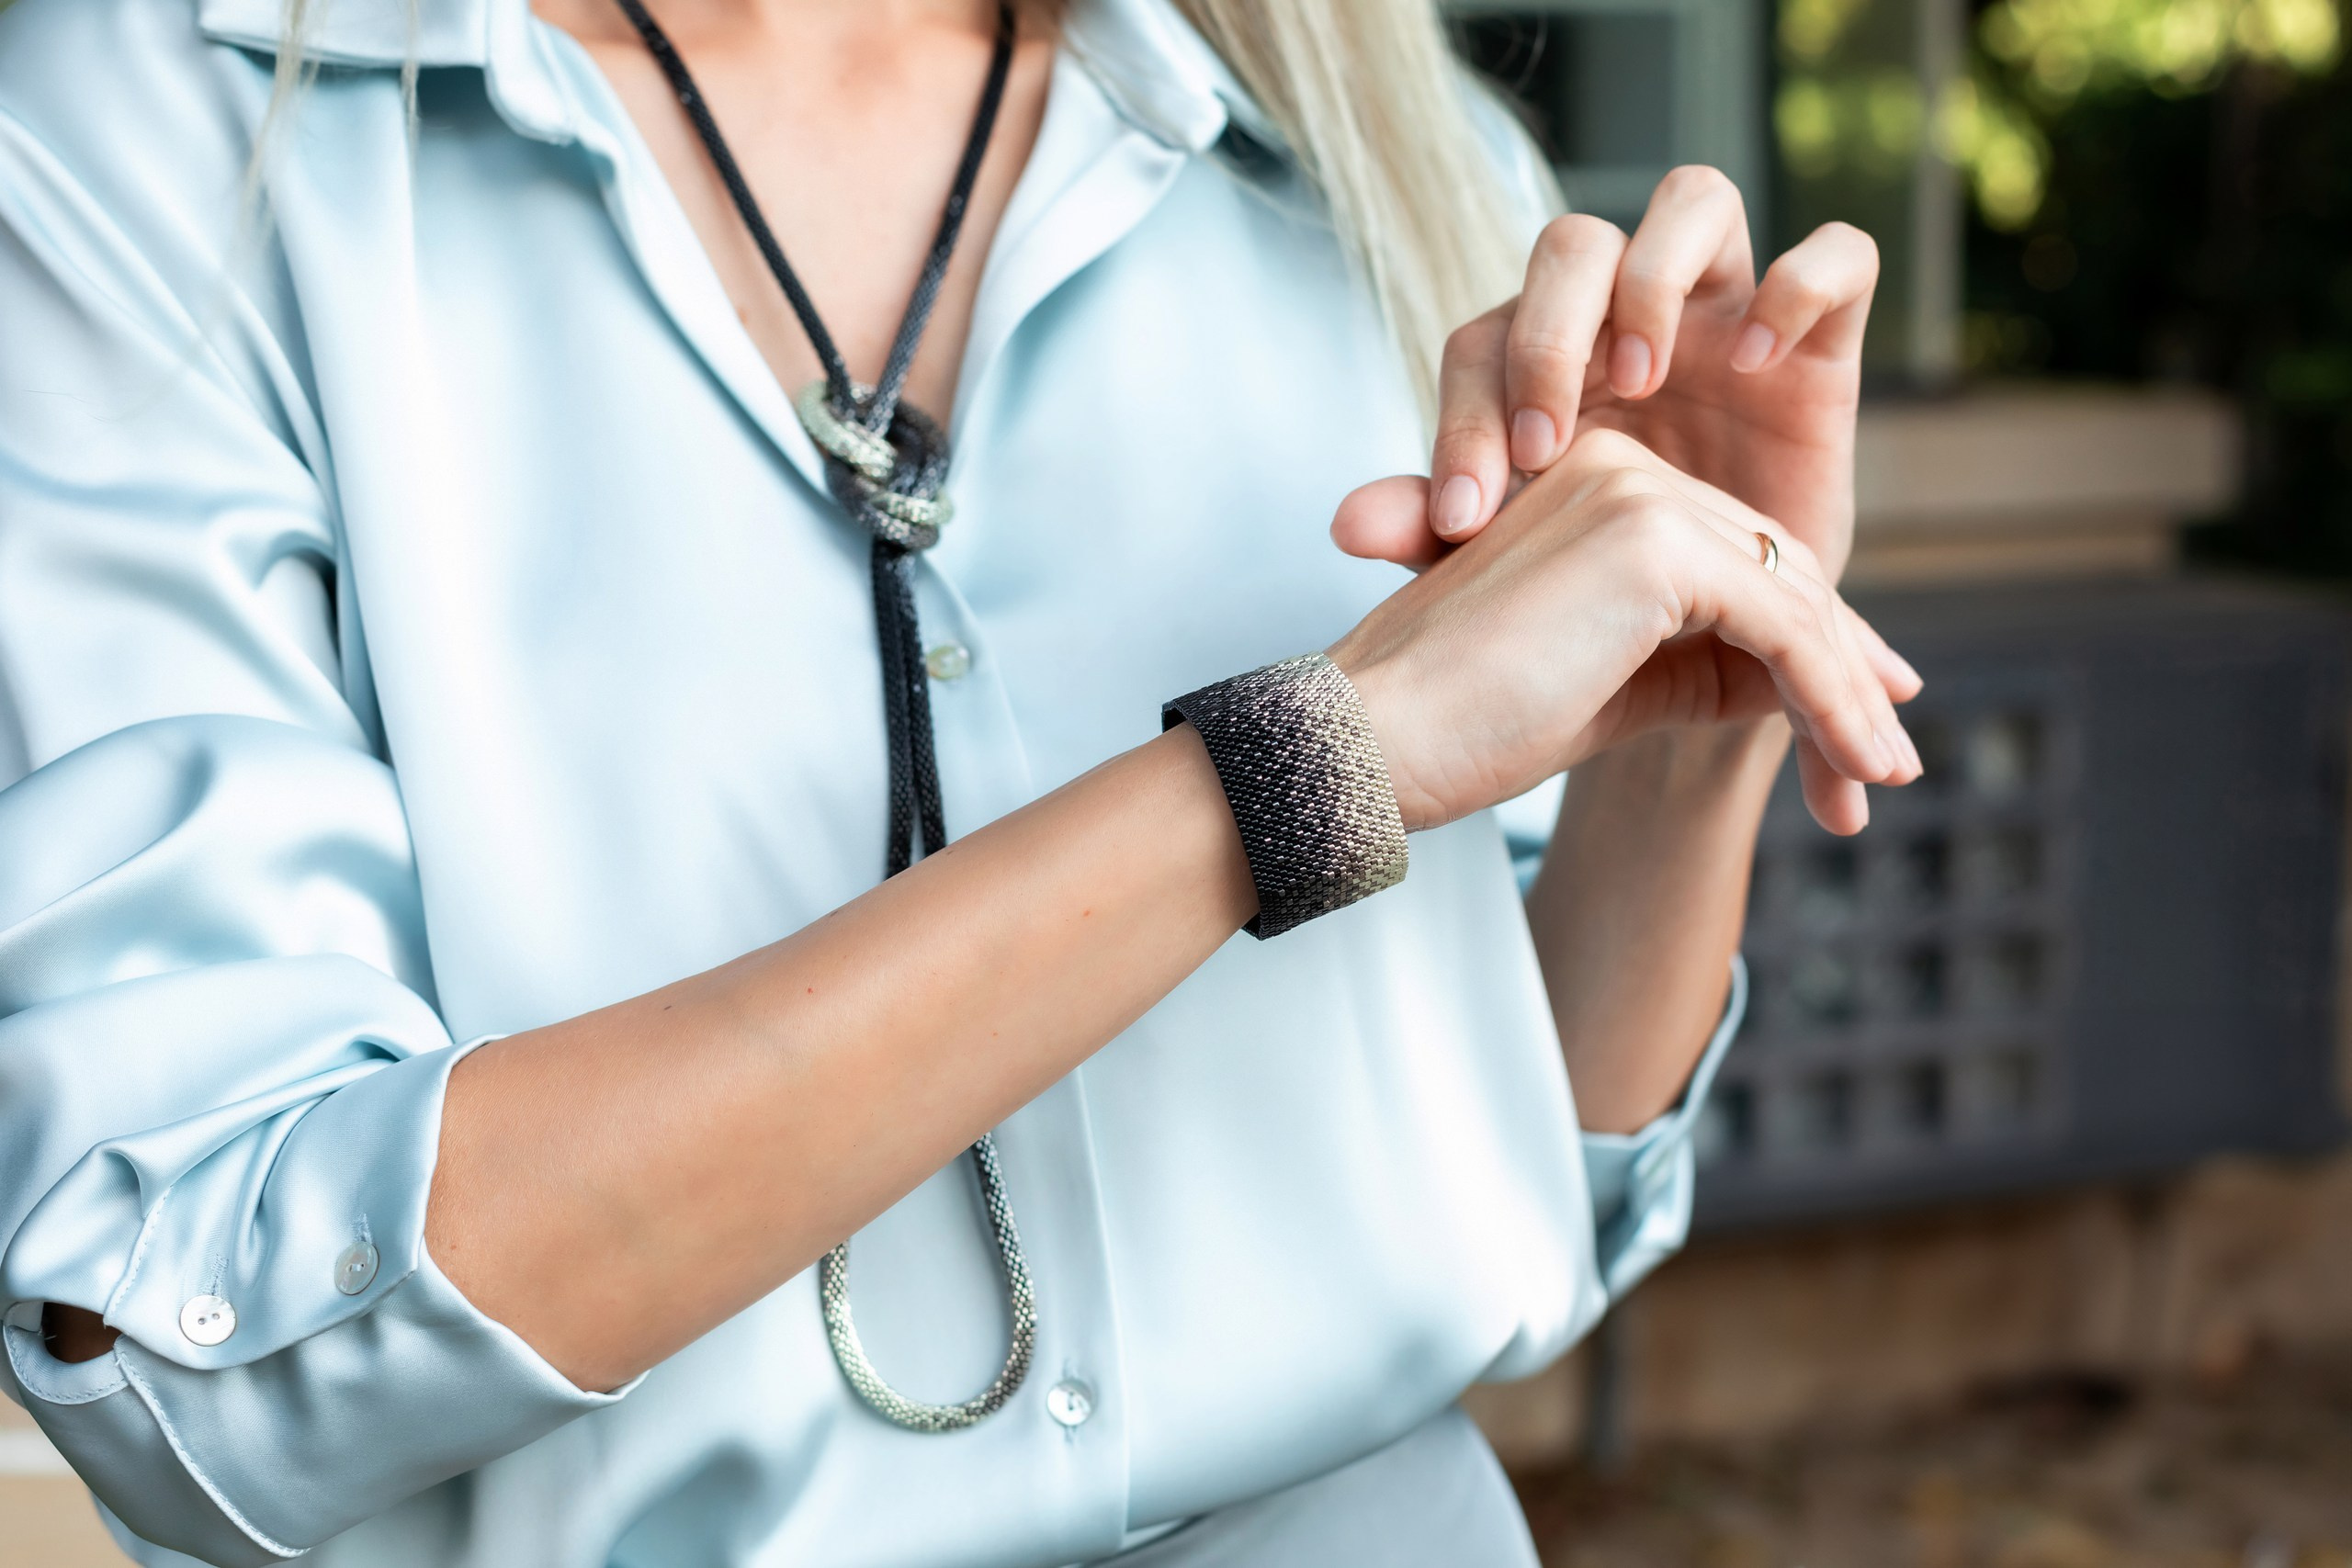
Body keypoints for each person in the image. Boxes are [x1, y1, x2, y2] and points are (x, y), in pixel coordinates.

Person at [0, 0, 1916, 1562]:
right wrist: (1296, 767)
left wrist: (1697, 700)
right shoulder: (149, 135)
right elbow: (201, 1343)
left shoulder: (1374, 131)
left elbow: (1506, 1163)